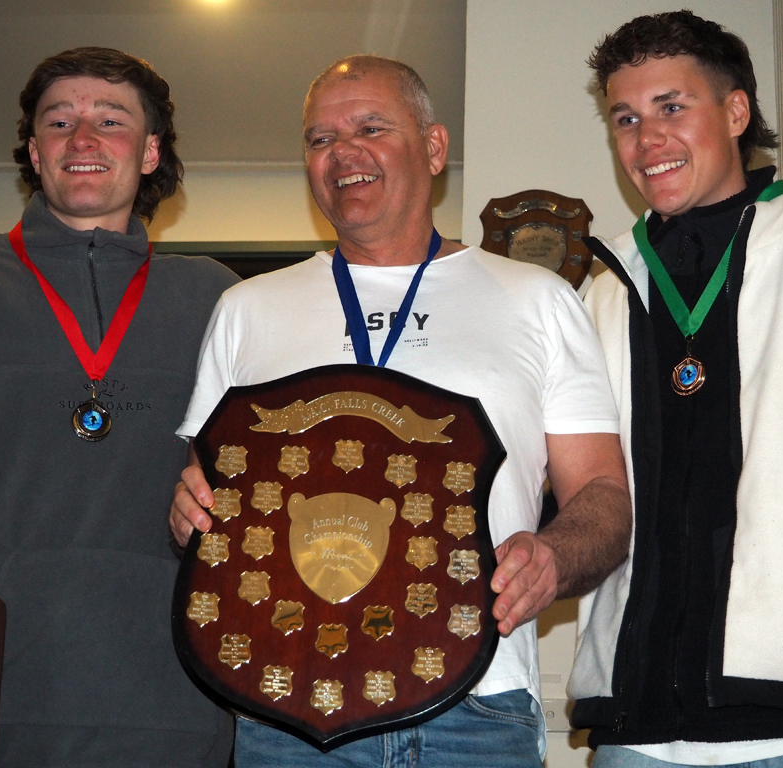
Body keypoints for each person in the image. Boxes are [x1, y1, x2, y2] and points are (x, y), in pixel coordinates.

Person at [169, 54, 632, 767]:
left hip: (478, 703)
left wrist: (553, 555)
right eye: (320, 139)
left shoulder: (537, 300)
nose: (342, 153)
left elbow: (602, 495)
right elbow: (207, 494)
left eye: (370, 127)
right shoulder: (247, 308)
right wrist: (190, 510)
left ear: (435, 147)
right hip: (285, 709)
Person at [570, 11, 783, 768]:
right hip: (636, 733)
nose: (646, 139)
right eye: (625, 118)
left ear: (735, 112)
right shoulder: (598, 296)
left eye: (671, 107)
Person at [0, 48, 238, 766]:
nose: (83, 139)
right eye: (60, 121)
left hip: (172, 695)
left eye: (109, 121)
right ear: (34, 149)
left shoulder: (215, 298)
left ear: (149, 153)